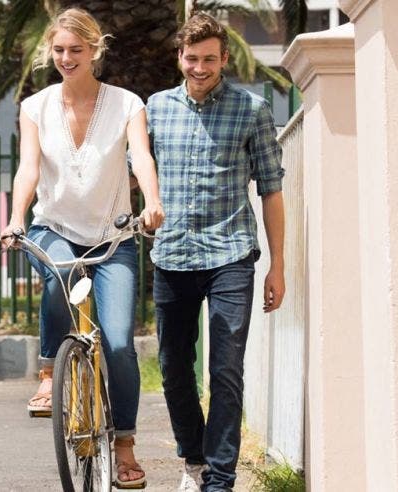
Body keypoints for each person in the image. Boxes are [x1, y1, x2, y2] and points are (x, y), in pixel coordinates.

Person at [0, 8, 164, 489]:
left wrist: (152, 202)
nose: (67, 58)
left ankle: (126, 445)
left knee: (117, 344)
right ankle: (50, 371)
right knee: (60, 270)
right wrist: (14, 218)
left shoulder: (127, 103)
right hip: (55, 226)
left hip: (113, 236)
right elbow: (28, 168)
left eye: (76, 50)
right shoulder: (37, 107)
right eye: (59, 50)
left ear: (95, 50)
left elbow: (141, 158)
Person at [146, 12, 285, 492]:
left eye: (209, 59)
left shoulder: (252, 110)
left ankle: (220, 480)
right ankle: (194, 459)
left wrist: (277, 266)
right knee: (172, 367)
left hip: (230, 255)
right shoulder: (156, 108)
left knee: (225, 370)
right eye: (191, 58)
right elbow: (139, 174)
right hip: (171, 256)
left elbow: (271, 190)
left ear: (225, 59)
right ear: (179, 57)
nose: (199, 67)